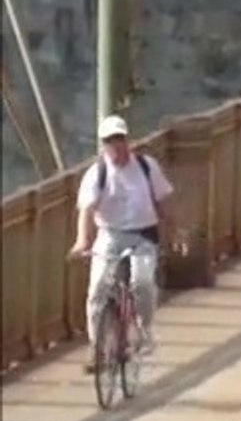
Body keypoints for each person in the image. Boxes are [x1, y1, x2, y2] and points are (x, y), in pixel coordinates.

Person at [69, 115, 175, 373]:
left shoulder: (146, 166)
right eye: (109, 141)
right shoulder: (98, 173)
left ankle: (143, 329)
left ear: (128, 140)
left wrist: (173, 232)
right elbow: (87, 209)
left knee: (143, 283)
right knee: (98, 289)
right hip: (110, 234)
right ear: (103, 145)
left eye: (119, 139)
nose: (116, 146)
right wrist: (83, 240)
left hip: (143, 234)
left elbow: (163, 202)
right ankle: (97, 349)